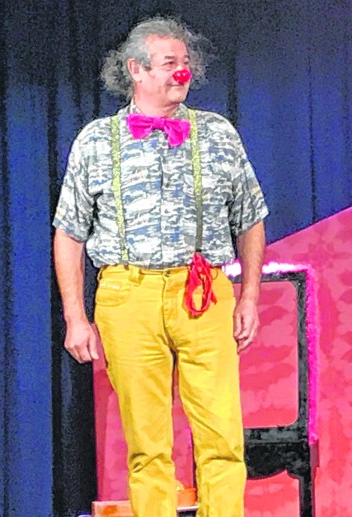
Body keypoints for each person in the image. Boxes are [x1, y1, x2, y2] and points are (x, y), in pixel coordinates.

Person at [52, 17, 268, 517]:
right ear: (136, 70)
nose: (181, 73)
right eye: (169, 63)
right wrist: (75, 317)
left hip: (203, 291)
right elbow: (70, 233)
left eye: (185, 64)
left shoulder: (217, 133)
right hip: (127, 295)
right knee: (147, 444)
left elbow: (251, 220)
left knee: (221, 437)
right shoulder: (96, 141)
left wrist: (250, 296)